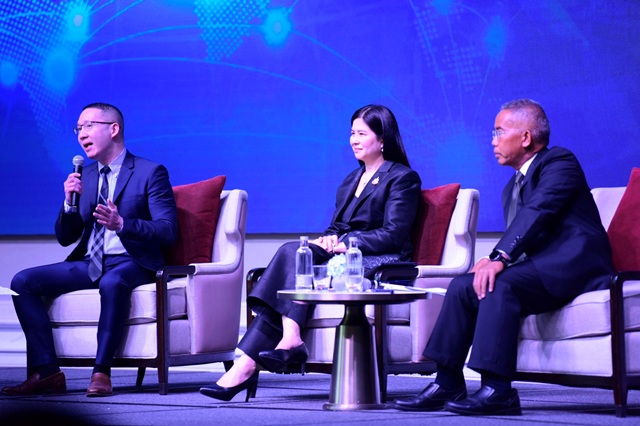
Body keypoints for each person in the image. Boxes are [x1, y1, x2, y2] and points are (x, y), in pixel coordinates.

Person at [393, 99, 613, 416]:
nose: (493, 141)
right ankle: (447, 381)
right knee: (462, 286)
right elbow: (524, 233)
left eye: (499, 132)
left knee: (498, 285)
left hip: (575, 268)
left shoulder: (559, 162)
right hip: (539, 269)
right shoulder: (511, 187)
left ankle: (498, 390)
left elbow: (538, 211)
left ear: (525, 137)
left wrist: (499, 257)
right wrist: (493, 261)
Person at [199, 104, 422, 402]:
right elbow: (337, 227)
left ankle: (251, 363)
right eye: (352, 133)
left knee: (293, 255)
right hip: (344, 257)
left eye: (362, 134)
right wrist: (328, 240)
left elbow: (394, 234)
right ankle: (276, 346)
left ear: (382, 139)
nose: (354, 140)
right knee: (296, 252)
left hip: (378, 260)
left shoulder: (402, 178)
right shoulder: (350, 180)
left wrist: (345, 243)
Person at [1, 103, 178, 397]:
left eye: (89, 126)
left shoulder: (149, 172)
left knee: (112, 281)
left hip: (133, 261)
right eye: (78, 129)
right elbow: (65, 238)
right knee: (23, 282)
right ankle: (46, 372)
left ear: (113, 129)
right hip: (91, 262)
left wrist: (122, 224)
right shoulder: (86, 175)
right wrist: (68, 202)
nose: (81, 134)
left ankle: (101, 372)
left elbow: (167, 230)